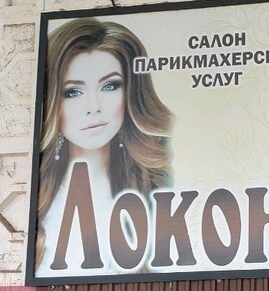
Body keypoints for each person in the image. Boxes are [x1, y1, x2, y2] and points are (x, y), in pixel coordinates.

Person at [36, 17, 173, 272]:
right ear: (53, 99)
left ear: (130, 93)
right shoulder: (36, 198)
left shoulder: (160, 190)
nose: (93, 107)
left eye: (110, 86)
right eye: (73, 92)